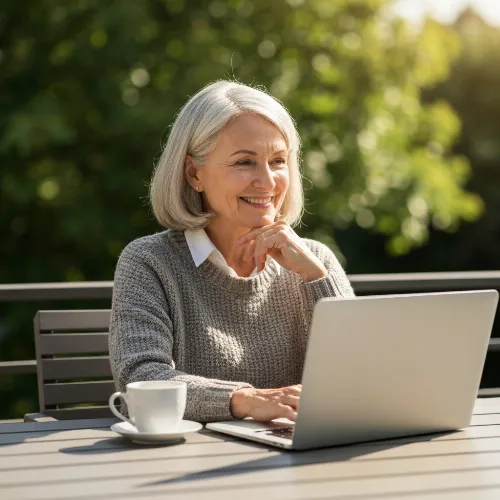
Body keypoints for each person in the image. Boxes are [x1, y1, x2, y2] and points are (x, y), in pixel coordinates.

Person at [109, 80, 354, 424]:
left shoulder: (316, 262)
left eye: (278, 160)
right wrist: (244, 401)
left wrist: (317, 279)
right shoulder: (149, 262)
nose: (267, 181)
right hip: (189, 468)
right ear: (194, 173)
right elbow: (143, 378)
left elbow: (363, 375)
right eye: (244, 163)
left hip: (301, 458)